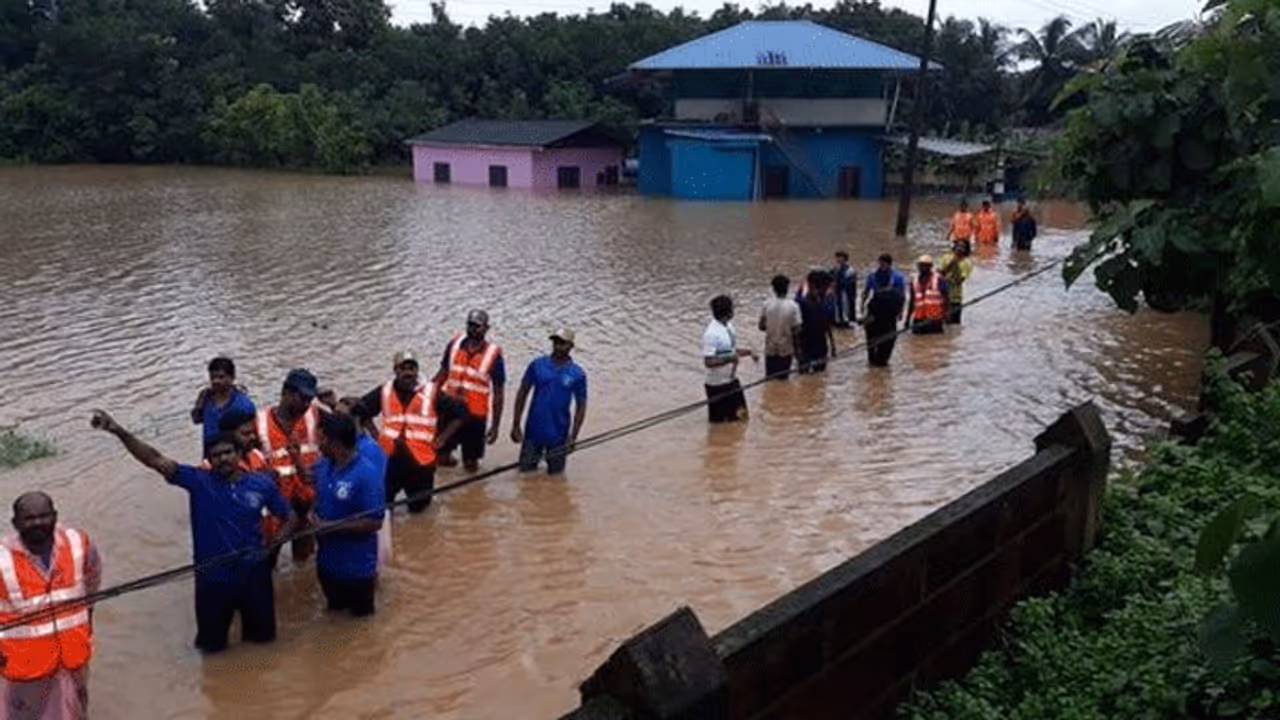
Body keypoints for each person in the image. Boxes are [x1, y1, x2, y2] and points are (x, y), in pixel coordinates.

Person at [92, 411, 292, 654]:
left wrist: (273, 547)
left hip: (254, 576)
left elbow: (290, 516)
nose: (223, 459)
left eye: (228, 453)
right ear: (209, 460)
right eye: (216, 456)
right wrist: (118, 430)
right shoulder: (198, 480)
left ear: (239, 454)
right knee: (211, 648)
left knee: (263, 644)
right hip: (212, 579)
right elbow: (155, 460)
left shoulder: (262, 484)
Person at [0, 492, 101, 719]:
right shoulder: (2, 558)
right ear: (15, 523)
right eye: (29, 518)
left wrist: (87, 627)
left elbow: (92, 584)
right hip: (24, 664)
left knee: (76, 711)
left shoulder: (79, 543)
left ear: (55, 516)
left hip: (73, 655)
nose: (38, 523)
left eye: (44, 516)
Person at [355, 350, 464, 514]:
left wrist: (442, 438)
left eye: (412, 368)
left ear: (417, 370)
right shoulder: (384, 391)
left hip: (421, 461)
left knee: (421, 513)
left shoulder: (432, 392)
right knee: (383, 508)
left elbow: (460, 414)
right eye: (403, 368)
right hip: (389, 459)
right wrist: (374, 434)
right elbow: (359, 410)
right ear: (395, 370)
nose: (408, 373)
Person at [312, 413, 384, 617]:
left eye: (320, 440)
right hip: (326, 564)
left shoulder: (367, 474)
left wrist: (330, 527)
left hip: (357, 568)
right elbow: (317, 497)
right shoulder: (322, 466)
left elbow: (375, 522)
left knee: (362, 625)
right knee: (333, 615)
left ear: (334, 442)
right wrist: (311, 513)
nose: (317, 445)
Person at [256, 369, 322, 563]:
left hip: (307, 504)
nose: (306, 404)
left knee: (304, 561)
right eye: (302, 398)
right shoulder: (259, 422)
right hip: (276, 506)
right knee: (269, 559)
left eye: (310, 399)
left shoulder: (315, 416)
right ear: (285, 392)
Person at [436, 310, 505, 473]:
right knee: (441, 454)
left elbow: (499, 392)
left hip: (475, 415)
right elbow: (442, 374)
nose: (473, 329)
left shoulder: (493, 354)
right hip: (450, 410)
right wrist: (425, 396)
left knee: (471, 463)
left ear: (486, 328)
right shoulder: (454, 345)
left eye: (477, 326)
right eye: (470, 325)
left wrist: (495, 426)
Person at [510, 329, 588, 473]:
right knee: (525, 474)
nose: (558, 346)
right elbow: (522, 393)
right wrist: (515, 424)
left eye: (562, 343)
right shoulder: (537, 365)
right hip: (533, 430)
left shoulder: (577, 373)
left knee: (556, 477)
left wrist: (574, 436)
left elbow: (581, 406)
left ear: (571, 346)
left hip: (559, 433)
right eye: (555, 342)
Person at [335, 396, 392, 568]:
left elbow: (372, 494)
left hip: (366, 522)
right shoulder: (343, 446)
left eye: (340, 416)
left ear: (356, 419)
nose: (335, 420)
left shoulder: (369, 450)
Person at [702, 296, 755, 422]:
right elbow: (708, 361)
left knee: (742, 418)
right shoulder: (712, 334)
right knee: (719, 424)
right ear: (728, 312)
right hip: (717, 386)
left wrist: (748, 352)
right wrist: (730, 359)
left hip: (731, 381)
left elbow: (727, 351)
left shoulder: (728, 327)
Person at [191, 357, 255, 457]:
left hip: (232, 456)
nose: (216, 381)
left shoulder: (243, 404)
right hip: (210, 452)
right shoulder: (206, 397)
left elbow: (249, 435)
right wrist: (199, 404)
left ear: (232, 377)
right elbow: (196, 420)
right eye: (212, 378)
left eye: (221, 377)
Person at [861, 254, 907, 367]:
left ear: (889, 264)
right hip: (874, 313)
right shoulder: (872, 276)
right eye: (880, 263)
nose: (882, 266)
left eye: (884, 264)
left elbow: (902, 295)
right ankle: (872, 363)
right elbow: (866, 292)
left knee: (888, 341)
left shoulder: (897, 278)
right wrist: (862, 308)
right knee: (871, 342)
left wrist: (901, 311)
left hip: (890, 314)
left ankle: (882, 364)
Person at [758, 274, 802, 380]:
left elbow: (761, 326)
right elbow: (797, 329)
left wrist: (771, 327)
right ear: (787, 288)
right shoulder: (793, 306)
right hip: (785, 349)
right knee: (783, 379)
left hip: (770, 348)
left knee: (770, 378)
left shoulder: (766, 304)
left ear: (773, 289)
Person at [798, 270, 836, 373]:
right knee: (804, 372)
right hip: (805, 342)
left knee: (820, 373)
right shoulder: (801, 301)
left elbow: (827, 322)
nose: (828, 289)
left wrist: (832, 344)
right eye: (826, 286)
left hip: (820, 342)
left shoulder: (825, 298)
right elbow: (795, 326)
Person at [905, 255, 949, 335]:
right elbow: (912, 300)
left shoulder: (939, 279)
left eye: (926, 266)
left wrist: (946, 313)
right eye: (921, 265)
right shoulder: (914, 280)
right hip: (919, 318)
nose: (923, 268)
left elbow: (946, 297)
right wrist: (908, 319)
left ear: (930, 266)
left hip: (934, 318)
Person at [938, 239, 975, 324]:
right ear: (954, 247)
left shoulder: (967, 263)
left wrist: (955, 265)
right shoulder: (945, 257)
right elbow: (940, 274)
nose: (960, 248)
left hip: (955, 298)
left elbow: (959, 281)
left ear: (966, 250)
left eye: (963, 247)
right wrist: (952, 262)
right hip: (942, 296)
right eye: (958, 246)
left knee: (954, 324)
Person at [831, 251, 857, 328]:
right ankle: (838, 321)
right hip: (837, 292)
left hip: (846, 292)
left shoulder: (850, 270)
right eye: (837, 257)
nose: (838, 259)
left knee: (846, 306)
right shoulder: (835, 269)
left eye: (840, 257)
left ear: (845, 258)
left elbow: (850, 283)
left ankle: (847, 321)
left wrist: (837, 284)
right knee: (837, 306)